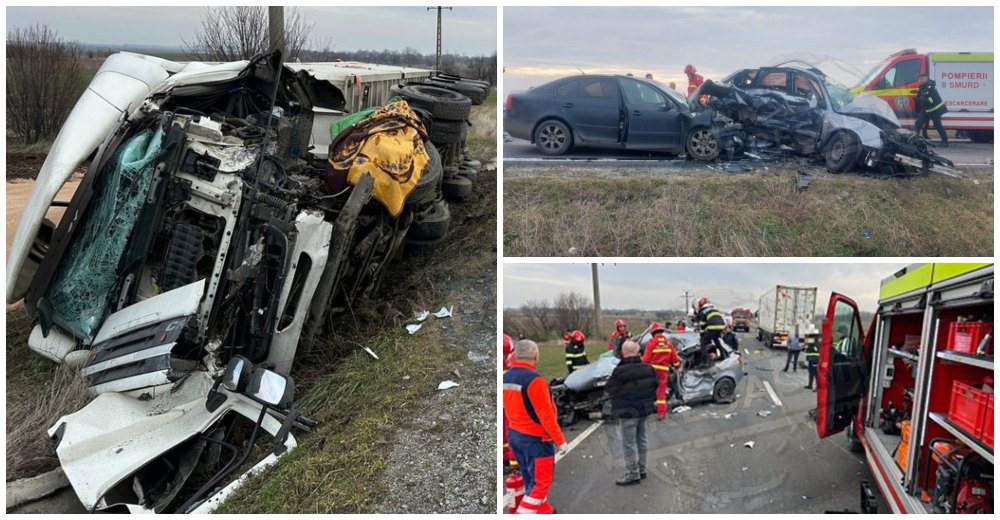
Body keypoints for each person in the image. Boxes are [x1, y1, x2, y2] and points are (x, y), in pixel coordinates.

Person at [503, 340, 567, 514]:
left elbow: (507, 411)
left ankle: (545, 511)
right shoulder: (535, 380)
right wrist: (560, 441)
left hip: (515, 436)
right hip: (536, 440)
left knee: (530, 480)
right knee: (540, 485)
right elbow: (546, 416)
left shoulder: (505, 377)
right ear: (536, 355)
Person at [604, 340, 657, 486]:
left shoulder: (620, 371)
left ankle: (633, 474)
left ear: (623, 352)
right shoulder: (648, 368)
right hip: (644, 410)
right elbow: (655, 384)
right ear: (637, 351)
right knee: (642, 439)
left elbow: (610, 389)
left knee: (629, 443)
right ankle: (642, 469)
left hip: (628, 412)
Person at [642, 323, 681, 418]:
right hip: (664, 372)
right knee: (661, 393)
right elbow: (675, 359)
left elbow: (646, 360)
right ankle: (661, 414)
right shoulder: (668, 343)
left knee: (648, 390)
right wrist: (677, 367)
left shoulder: (652, 342)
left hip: (653, 371)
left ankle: (645, 410)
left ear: (652, 333)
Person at [914, 72, 948, 147]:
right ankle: (913, 140)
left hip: (935, 110)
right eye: (919, 79)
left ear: (926, 78)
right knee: (918, 124)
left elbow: (933, 99)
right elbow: (920, 96)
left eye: (922, 79)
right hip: (926, 109)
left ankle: (945, 141)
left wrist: (921, 100)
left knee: (937, 125)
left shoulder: (931, 87)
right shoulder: (922, 86)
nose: (920, 80)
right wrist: (917, 99)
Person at [502, 334, 518, 473]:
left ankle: (508, 461)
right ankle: (513, 463)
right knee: (509, 432)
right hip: (508, 405)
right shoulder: (508, 365)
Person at [695, 297, 726, 367]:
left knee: (703, 344)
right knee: (716, 340)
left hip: (713, 327)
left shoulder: (702, 311)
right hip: (721, 326)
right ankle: (723, 355)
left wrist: (702, 335)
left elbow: (702, 325)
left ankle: (706, 361)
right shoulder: (714, 308)